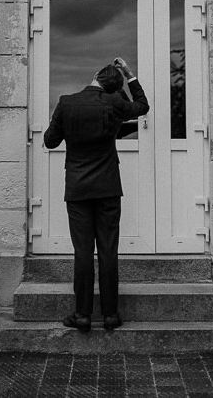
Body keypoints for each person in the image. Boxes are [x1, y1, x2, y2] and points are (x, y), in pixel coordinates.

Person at [43, 57, 149, 333]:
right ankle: (111, 315)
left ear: (94, 76)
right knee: (108, 250)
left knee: (82, 252)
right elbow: (142, 107)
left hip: (78, 189)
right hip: (108, 188)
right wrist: (130, 76)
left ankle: (82, 315)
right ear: (115, 87)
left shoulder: (66, 102)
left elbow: (50, 140)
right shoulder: (114, 103)